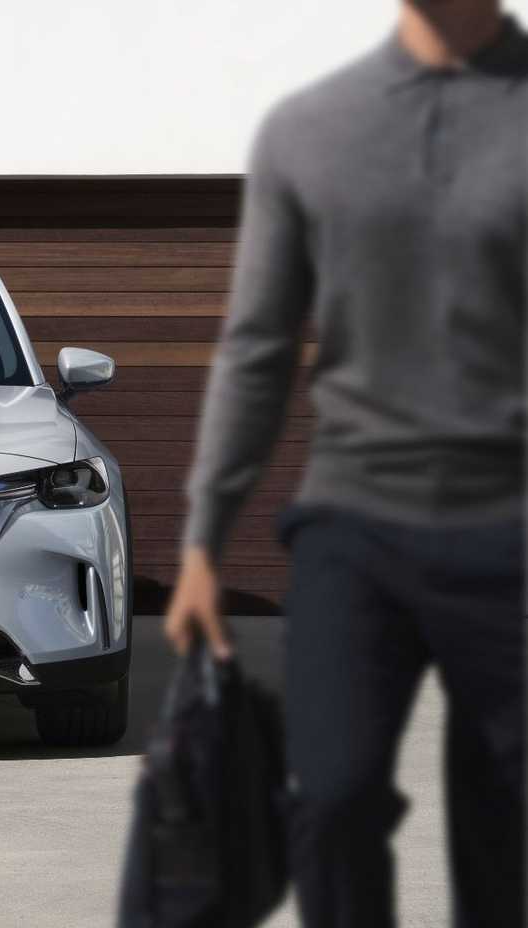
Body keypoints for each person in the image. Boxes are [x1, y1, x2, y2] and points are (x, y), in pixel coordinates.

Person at [163, 1, 526, 925]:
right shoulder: (313, 128)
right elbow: (258, 347)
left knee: (510, 826)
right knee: (332, 795)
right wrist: (205, 540)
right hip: (355, 526)